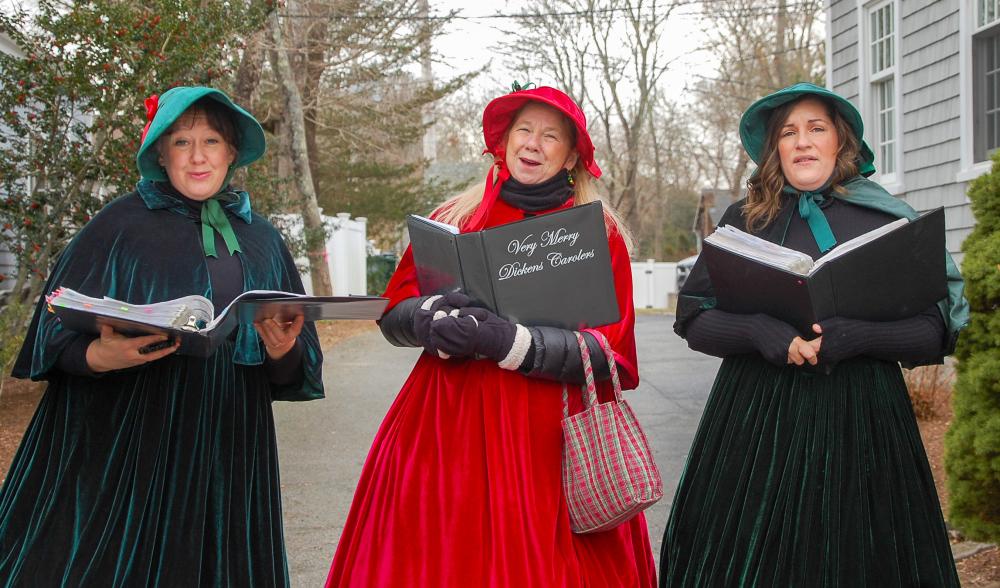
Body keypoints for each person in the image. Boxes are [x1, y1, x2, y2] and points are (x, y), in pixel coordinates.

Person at [325, 85, 657, 586]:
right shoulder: (452, 219)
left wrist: (513, 343)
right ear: (503, 141)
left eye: (550, 136)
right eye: (524, 129)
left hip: (547, 439)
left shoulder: (600, 236)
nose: (533, 143)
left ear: (571, 156)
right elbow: (394, 310)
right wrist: (428, 320)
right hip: (446, 425)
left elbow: (615, 356)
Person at [0, 86, 324, 586]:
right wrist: (97, 355)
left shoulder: (261, 237)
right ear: (160, 153)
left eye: (211, 141)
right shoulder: (118, 225)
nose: (198, 156)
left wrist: (282, 352)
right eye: (181, 142)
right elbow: (53, 323)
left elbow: (294, 355)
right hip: (129, 434)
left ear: (231, 152)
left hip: (228, 439)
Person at [659, 82, 969, 587]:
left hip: (862, 421)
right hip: (754, 420)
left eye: (816, 129)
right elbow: (694, 319)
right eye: (789, 132)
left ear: (839, 142)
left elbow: (935, 330)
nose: (802, 141)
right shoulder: (744, 220)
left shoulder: (886, 219)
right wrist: (760, 331)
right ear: (774, 149)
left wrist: (860, 336)